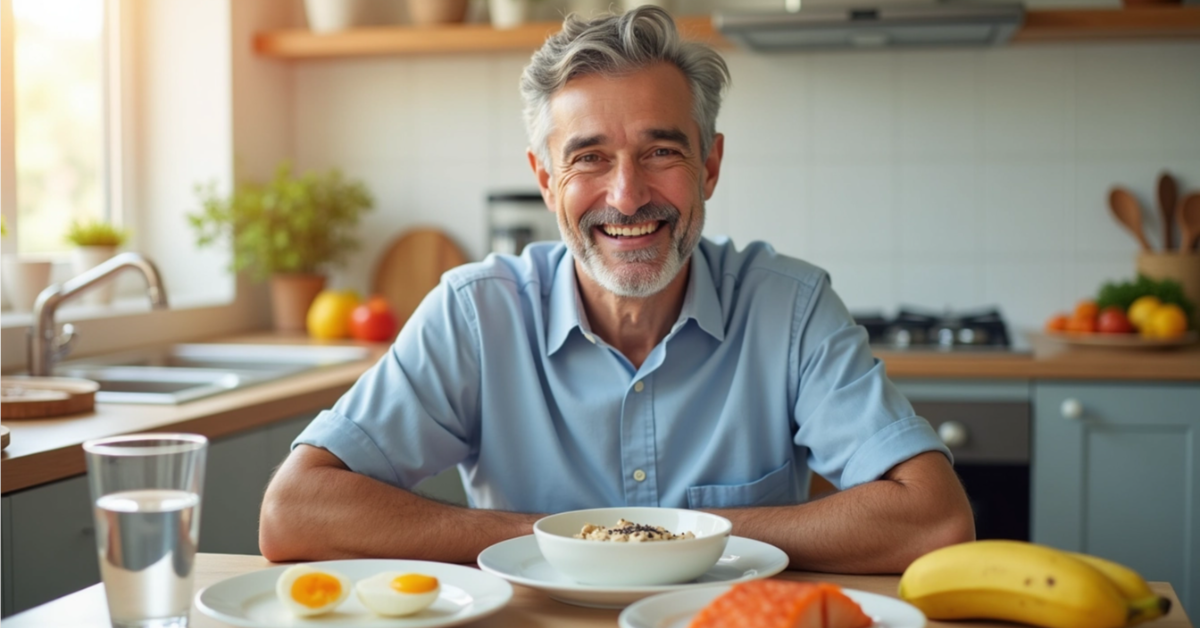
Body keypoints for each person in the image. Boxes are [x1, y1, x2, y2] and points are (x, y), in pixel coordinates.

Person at [259, 6, 974, 573]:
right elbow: (294, 512)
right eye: (589, 159)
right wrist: (573, 540)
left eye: (661, 152)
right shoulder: (476, 313)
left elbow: (935, 519)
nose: (627, 196)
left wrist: (666, 540)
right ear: (546, 181)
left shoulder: (789, 307)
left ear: (710, 166)